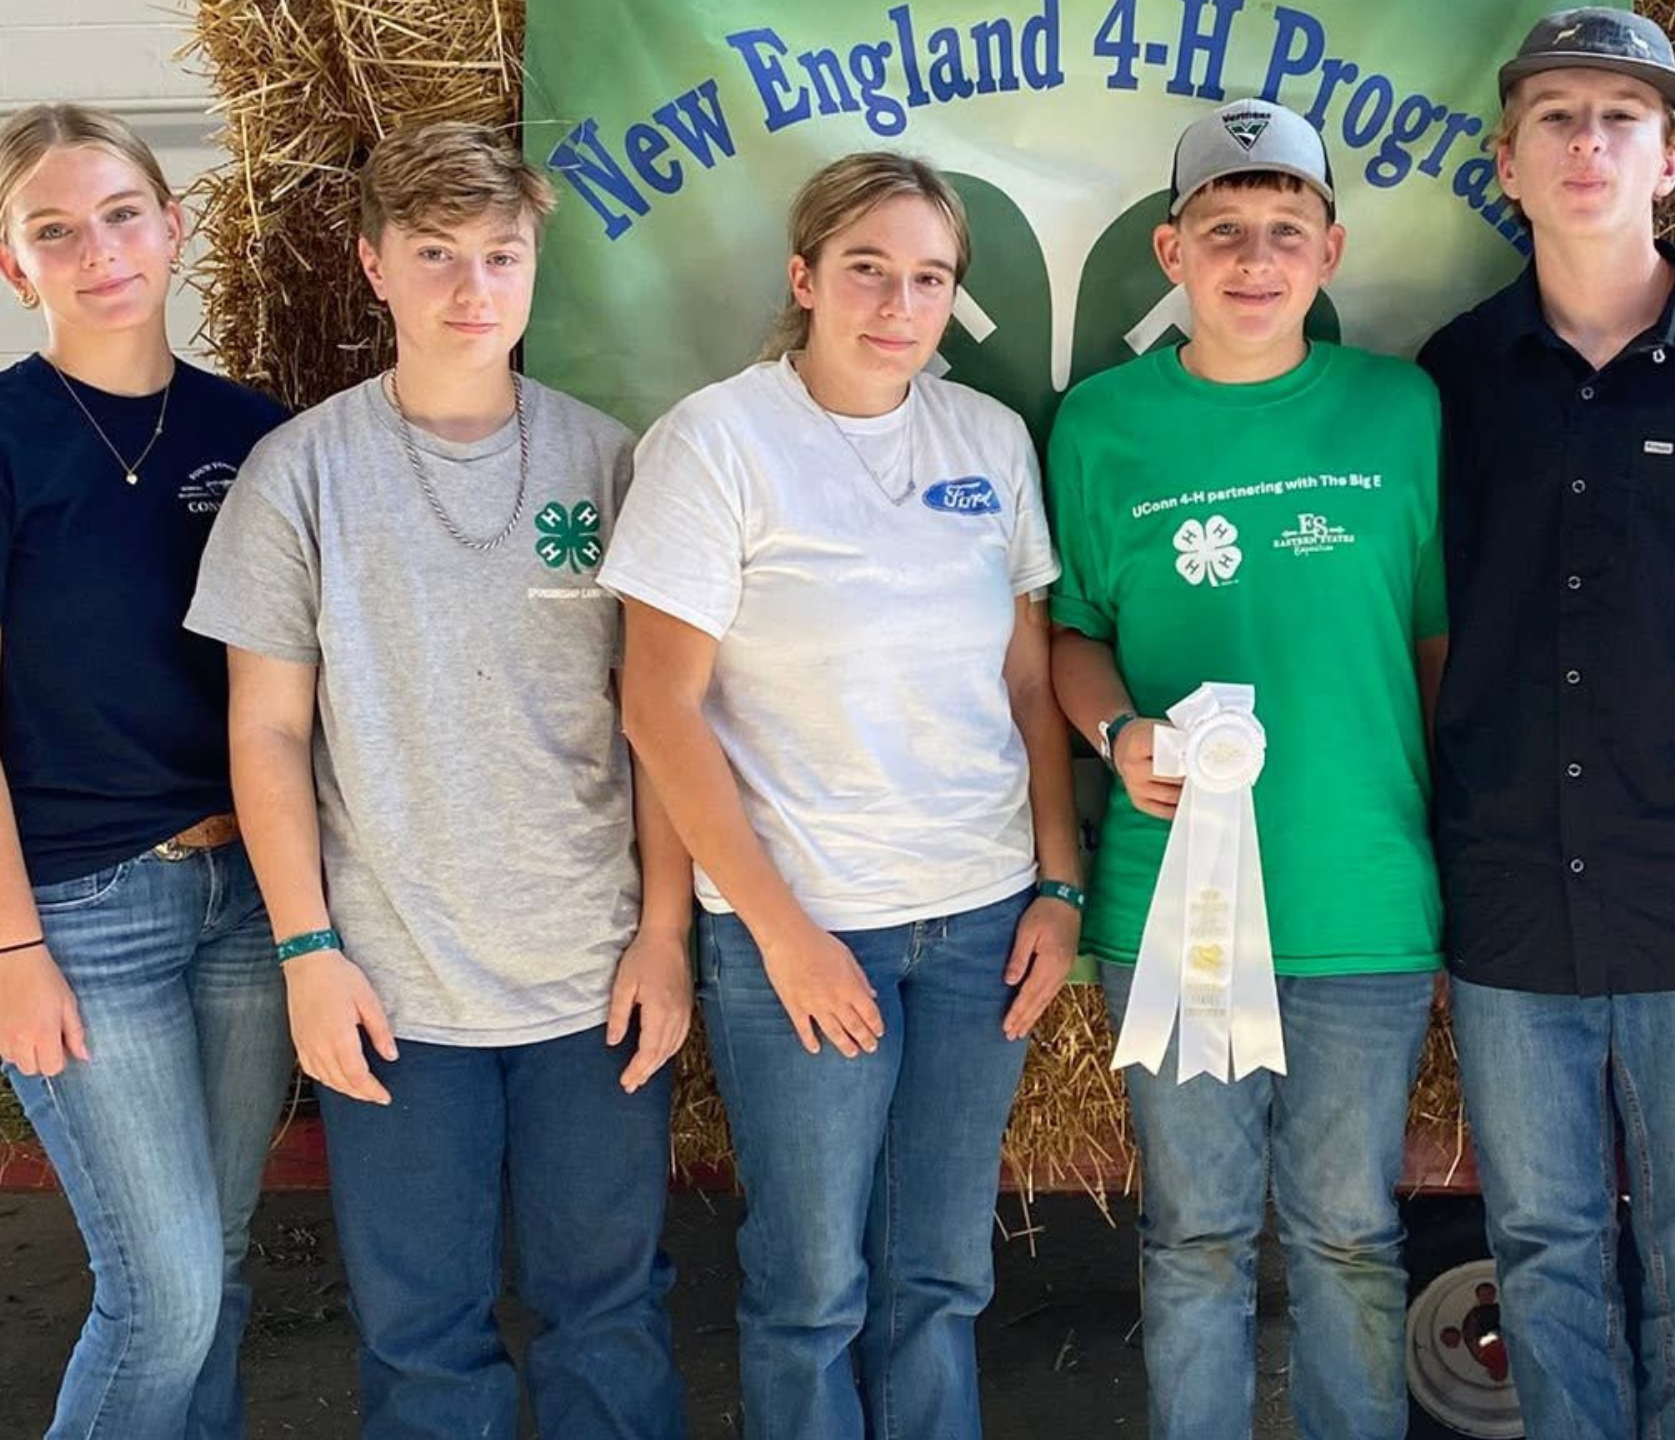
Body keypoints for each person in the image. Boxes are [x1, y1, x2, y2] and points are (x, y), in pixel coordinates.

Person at [186, 121, 688, 1438]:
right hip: (395, 992)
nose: (473, 290)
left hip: (593, 981)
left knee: (610, 1314)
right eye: (435, 255)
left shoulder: (614, 462)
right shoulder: (300, 475)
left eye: (501, 256)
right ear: (373, 268)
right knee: (423, 1342)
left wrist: (668, 935)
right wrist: (308, 951)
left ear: (535, 269)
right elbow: (267, 736)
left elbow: (667, 728)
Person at [600, 150, 1082, 1440]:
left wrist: (1060, 885)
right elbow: (658, 706)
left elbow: (1029, 689)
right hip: (805, 924)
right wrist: (781, 932)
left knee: (940, 1275)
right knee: (812, 1287)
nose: (897, 303)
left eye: (929, 278)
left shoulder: (987, 438)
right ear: (807, 277)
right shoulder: (716, 442)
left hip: (980, 918)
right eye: (868, 269)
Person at [1416, 11, 1675, 1437]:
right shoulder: (1453, 377)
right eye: (1555, 117)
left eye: (1619, 117)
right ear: (1508, 161)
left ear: (1670, 157)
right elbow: (1433, 625)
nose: (1587, 142)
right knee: (1541, 1247)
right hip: (1513, 888)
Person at [0, 103, 293, 1439]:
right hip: (89, 913)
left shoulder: (256, 434)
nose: (98, 251)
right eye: (55, 230)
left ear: (170, 228)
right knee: (158, 1298)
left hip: (252, 901)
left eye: (119, 215)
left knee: (212, 1269)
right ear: (12, 266)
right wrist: (6, 949)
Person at [1044, 98, 1448, 1440]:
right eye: (1223, 231)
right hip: (1172, 903)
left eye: (1285, 231)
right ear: (1170, 250)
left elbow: (1437, 647)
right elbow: (1071, 639)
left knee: (1347, 1236)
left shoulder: (1403, 413)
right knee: (1194, 1235)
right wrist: (1119, 735)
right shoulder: (1100, 428)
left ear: (1331, 250)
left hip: (1362, 901)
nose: (1254, 260)